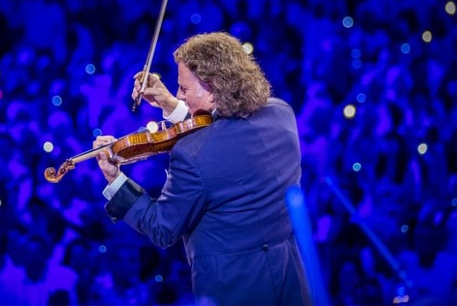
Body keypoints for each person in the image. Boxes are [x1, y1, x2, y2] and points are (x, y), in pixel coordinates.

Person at [93, 32, 312, 305]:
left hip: (233, 292)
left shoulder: (191, 155)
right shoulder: (281, 115)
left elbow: (162, 228)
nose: (178, 95)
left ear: (212, 89)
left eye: (183, 89)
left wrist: (115, 180)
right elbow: (224, 139)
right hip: (290, 282)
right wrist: (170, 105)